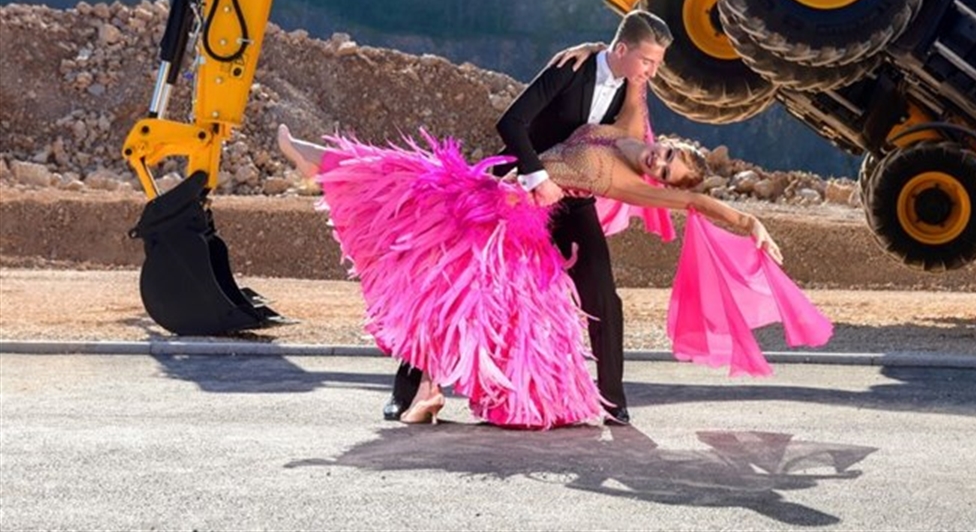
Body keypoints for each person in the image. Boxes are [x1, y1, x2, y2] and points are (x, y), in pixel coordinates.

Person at [277, 50, 828, 429]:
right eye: (670, 156)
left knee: (453, 282)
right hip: (496, 192)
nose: (661, 165)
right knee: (418, 198)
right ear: (670, 144)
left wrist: (751, 223)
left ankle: (437, 389)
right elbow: (635, 71)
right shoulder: (628, 133)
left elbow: (698, 203)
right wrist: (595, 50)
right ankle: (322, 164)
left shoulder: (635, 185)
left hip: (512, 215)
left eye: (667, 172)